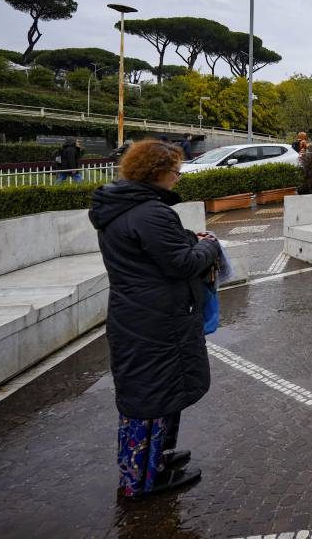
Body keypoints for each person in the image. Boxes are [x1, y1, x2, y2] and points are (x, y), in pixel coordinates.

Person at [89, 140, 221, 497]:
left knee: (154, 394)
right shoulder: (150, 213)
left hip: (137, 314)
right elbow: (182, 264)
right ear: (156, 172)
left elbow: (155, 253)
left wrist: (186, 240)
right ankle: (144, 480)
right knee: (153, 397)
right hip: (157, 320)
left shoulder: (121, 208)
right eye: (175, 170)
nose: (178, 177)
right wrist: (209, 246)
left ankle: (155, 460)